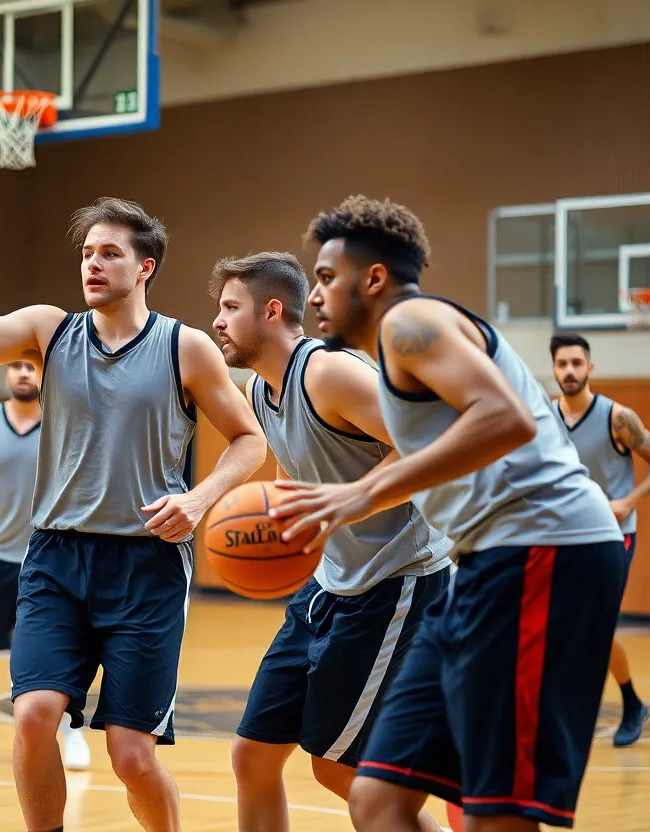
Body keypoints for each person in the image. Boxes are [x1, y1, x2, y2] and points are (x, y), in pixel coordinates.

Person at [0, 152, 267, 832]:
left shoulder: (185, 347)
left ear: (145, 268)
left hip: (145, 567)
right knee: (36, 715)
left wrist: (198, 500)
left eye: (109, 253)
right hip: (57, 559)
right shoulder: (51, 330)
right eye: (86, 253)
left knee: (131, 756)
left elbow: (250, 440)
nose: (92, 264)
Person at [281, 196, 627, 832]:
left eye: (328, 278)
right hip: (485, 563)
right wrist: (347, 501)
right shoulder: (396, 353)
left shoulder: (410, 322)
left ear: (374, 278)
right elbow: (443, 459)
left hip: (546, 547)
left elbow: (505, 419)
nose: (315, 297)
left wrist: (355, 495)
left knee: (494, 809)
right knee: (378, 798)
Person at [209, 252, 452, 832]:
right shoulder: (257, 390)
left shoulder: (331, 374)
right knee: (254, 755)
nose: (216, 321)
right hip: (328, 587)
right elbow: (300, 476)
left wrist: (351, 501)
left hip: (397, 584)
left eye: (229, 307)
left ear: (272, 311)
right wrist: (282, 521)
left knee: (341, 771)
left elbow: (431, 445)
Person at [0, 358, 92, 771]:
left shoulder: (62, 422)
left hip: (50, 557)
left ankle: (71, 732)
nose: (23, 373)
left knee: (61, 652)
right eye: (15, 366)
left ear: (44, 375)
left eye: (31, 367)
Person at [550, 331, 650, 747]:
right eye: (562, 363)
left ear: (590, 367)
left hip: (612, 536)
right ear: (553, 369)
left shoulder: (617, 417)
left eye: (576, 363)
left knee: (597, 625)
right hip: (563, 537)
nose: (569, 370)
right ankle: (567, 707)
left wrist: (628, 501)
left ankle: (631, 703)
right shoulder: (545, 417)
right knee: (559, 625)